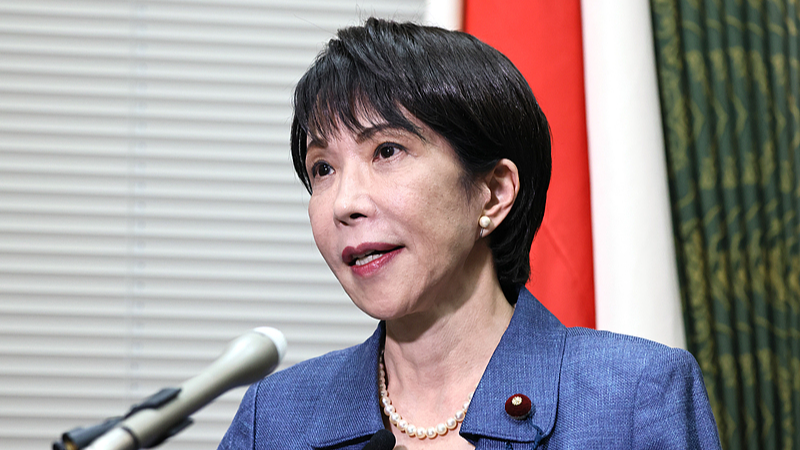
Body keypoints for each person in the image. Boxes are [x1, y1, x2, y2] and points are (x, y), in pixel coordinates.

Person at [218, 18, 721, 450]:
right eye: (322, 168)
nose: (346, 203)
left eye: (387, 151)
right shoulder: (276, 420)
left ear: (493, 193)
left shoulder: (633, 397)